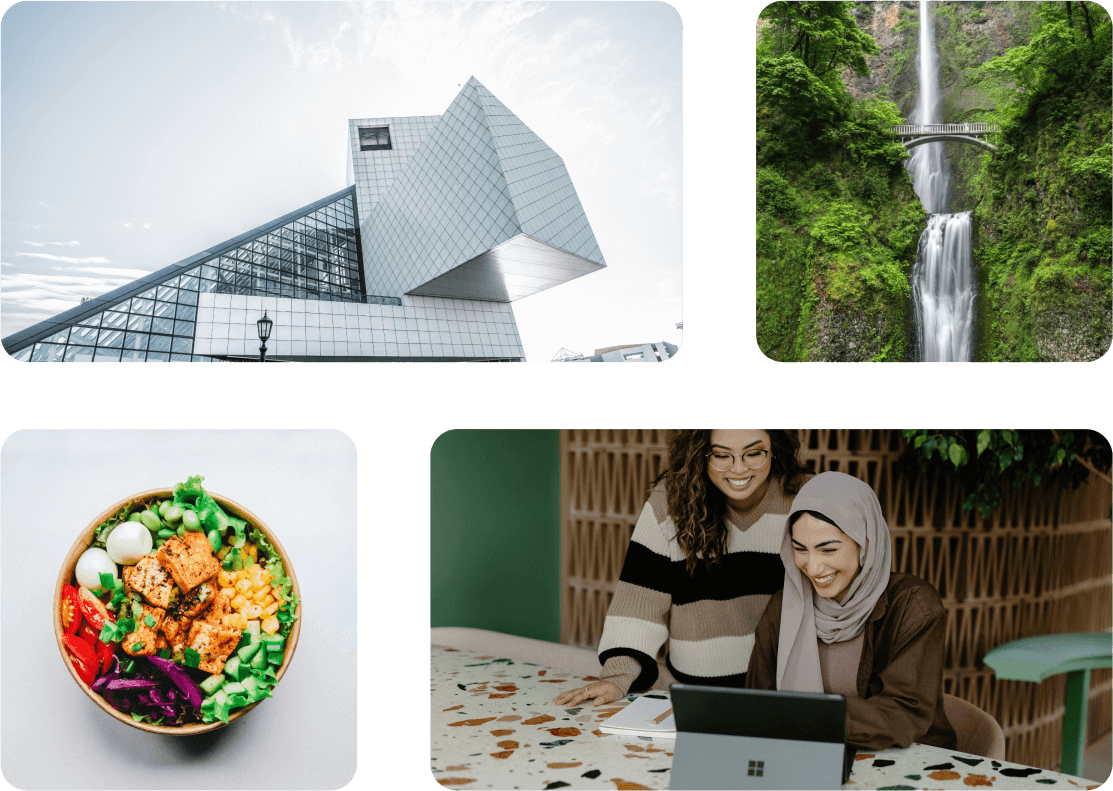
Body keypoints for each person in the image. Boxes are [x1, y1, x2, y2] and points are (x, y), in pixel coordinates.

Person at [553, 429, 814, 708]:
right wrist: (617, 676)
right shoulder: (671, 500)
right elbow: (639, 601)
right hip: (694, 695)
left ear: (774, 448)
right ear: (701, 451)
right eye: (722, 455)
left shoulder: (805, 495)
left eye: (753, 453)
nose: (739, 468)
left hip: (784, 691)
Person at [745, 471, 958, 750]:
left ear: (865, 542)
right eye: (800, 549)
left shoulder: (913, 605)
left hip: (906, 760)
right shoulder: (784, 607)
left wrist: (809, 716)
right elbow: (756, 701)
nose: (813, 567)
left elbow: (904, 712)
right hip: (812, 755)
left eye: (828, 550)